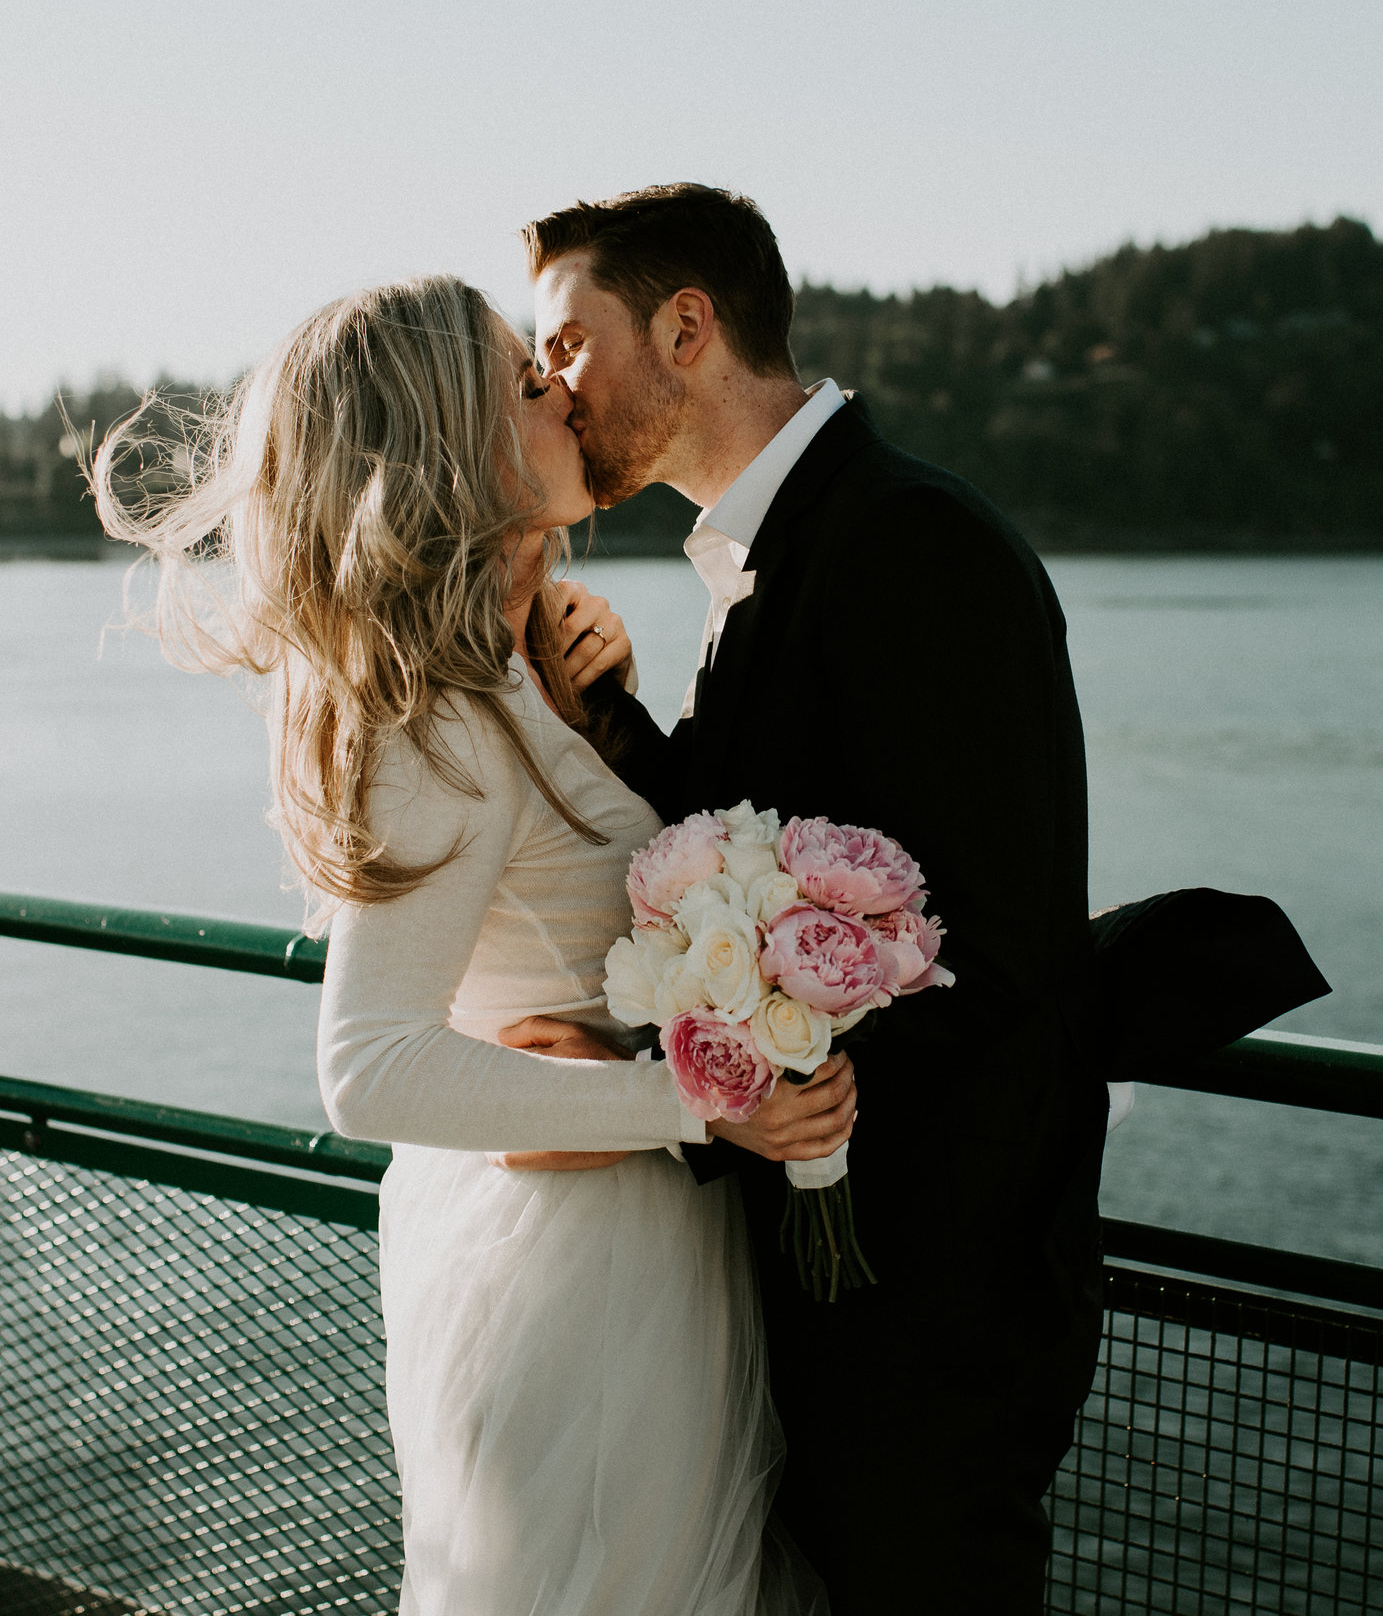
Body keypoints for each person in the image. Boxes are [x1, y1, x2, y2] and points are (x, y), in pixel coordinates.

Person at [89, 274, 846, 1615]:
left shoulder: (507, 677)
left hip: (614, 1250)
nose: (558, 385)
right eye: (518, 378)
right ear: (443, 443)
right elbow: (370, 1070)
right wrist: (700, 1100)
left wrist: (595, 690)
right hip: (578, 1281)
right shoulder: (434, 720)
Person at [515, 183, 1107, 1616]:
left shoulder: (916, 544)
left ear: (688, 324)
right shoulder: (770, 554)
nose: (552, 388)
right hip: (830, 1287)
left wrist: (706, 1102)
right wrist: (610, 715)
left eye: (569, 345)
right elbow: (759, 851)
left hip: (931, 1295)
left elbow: (984, 948)